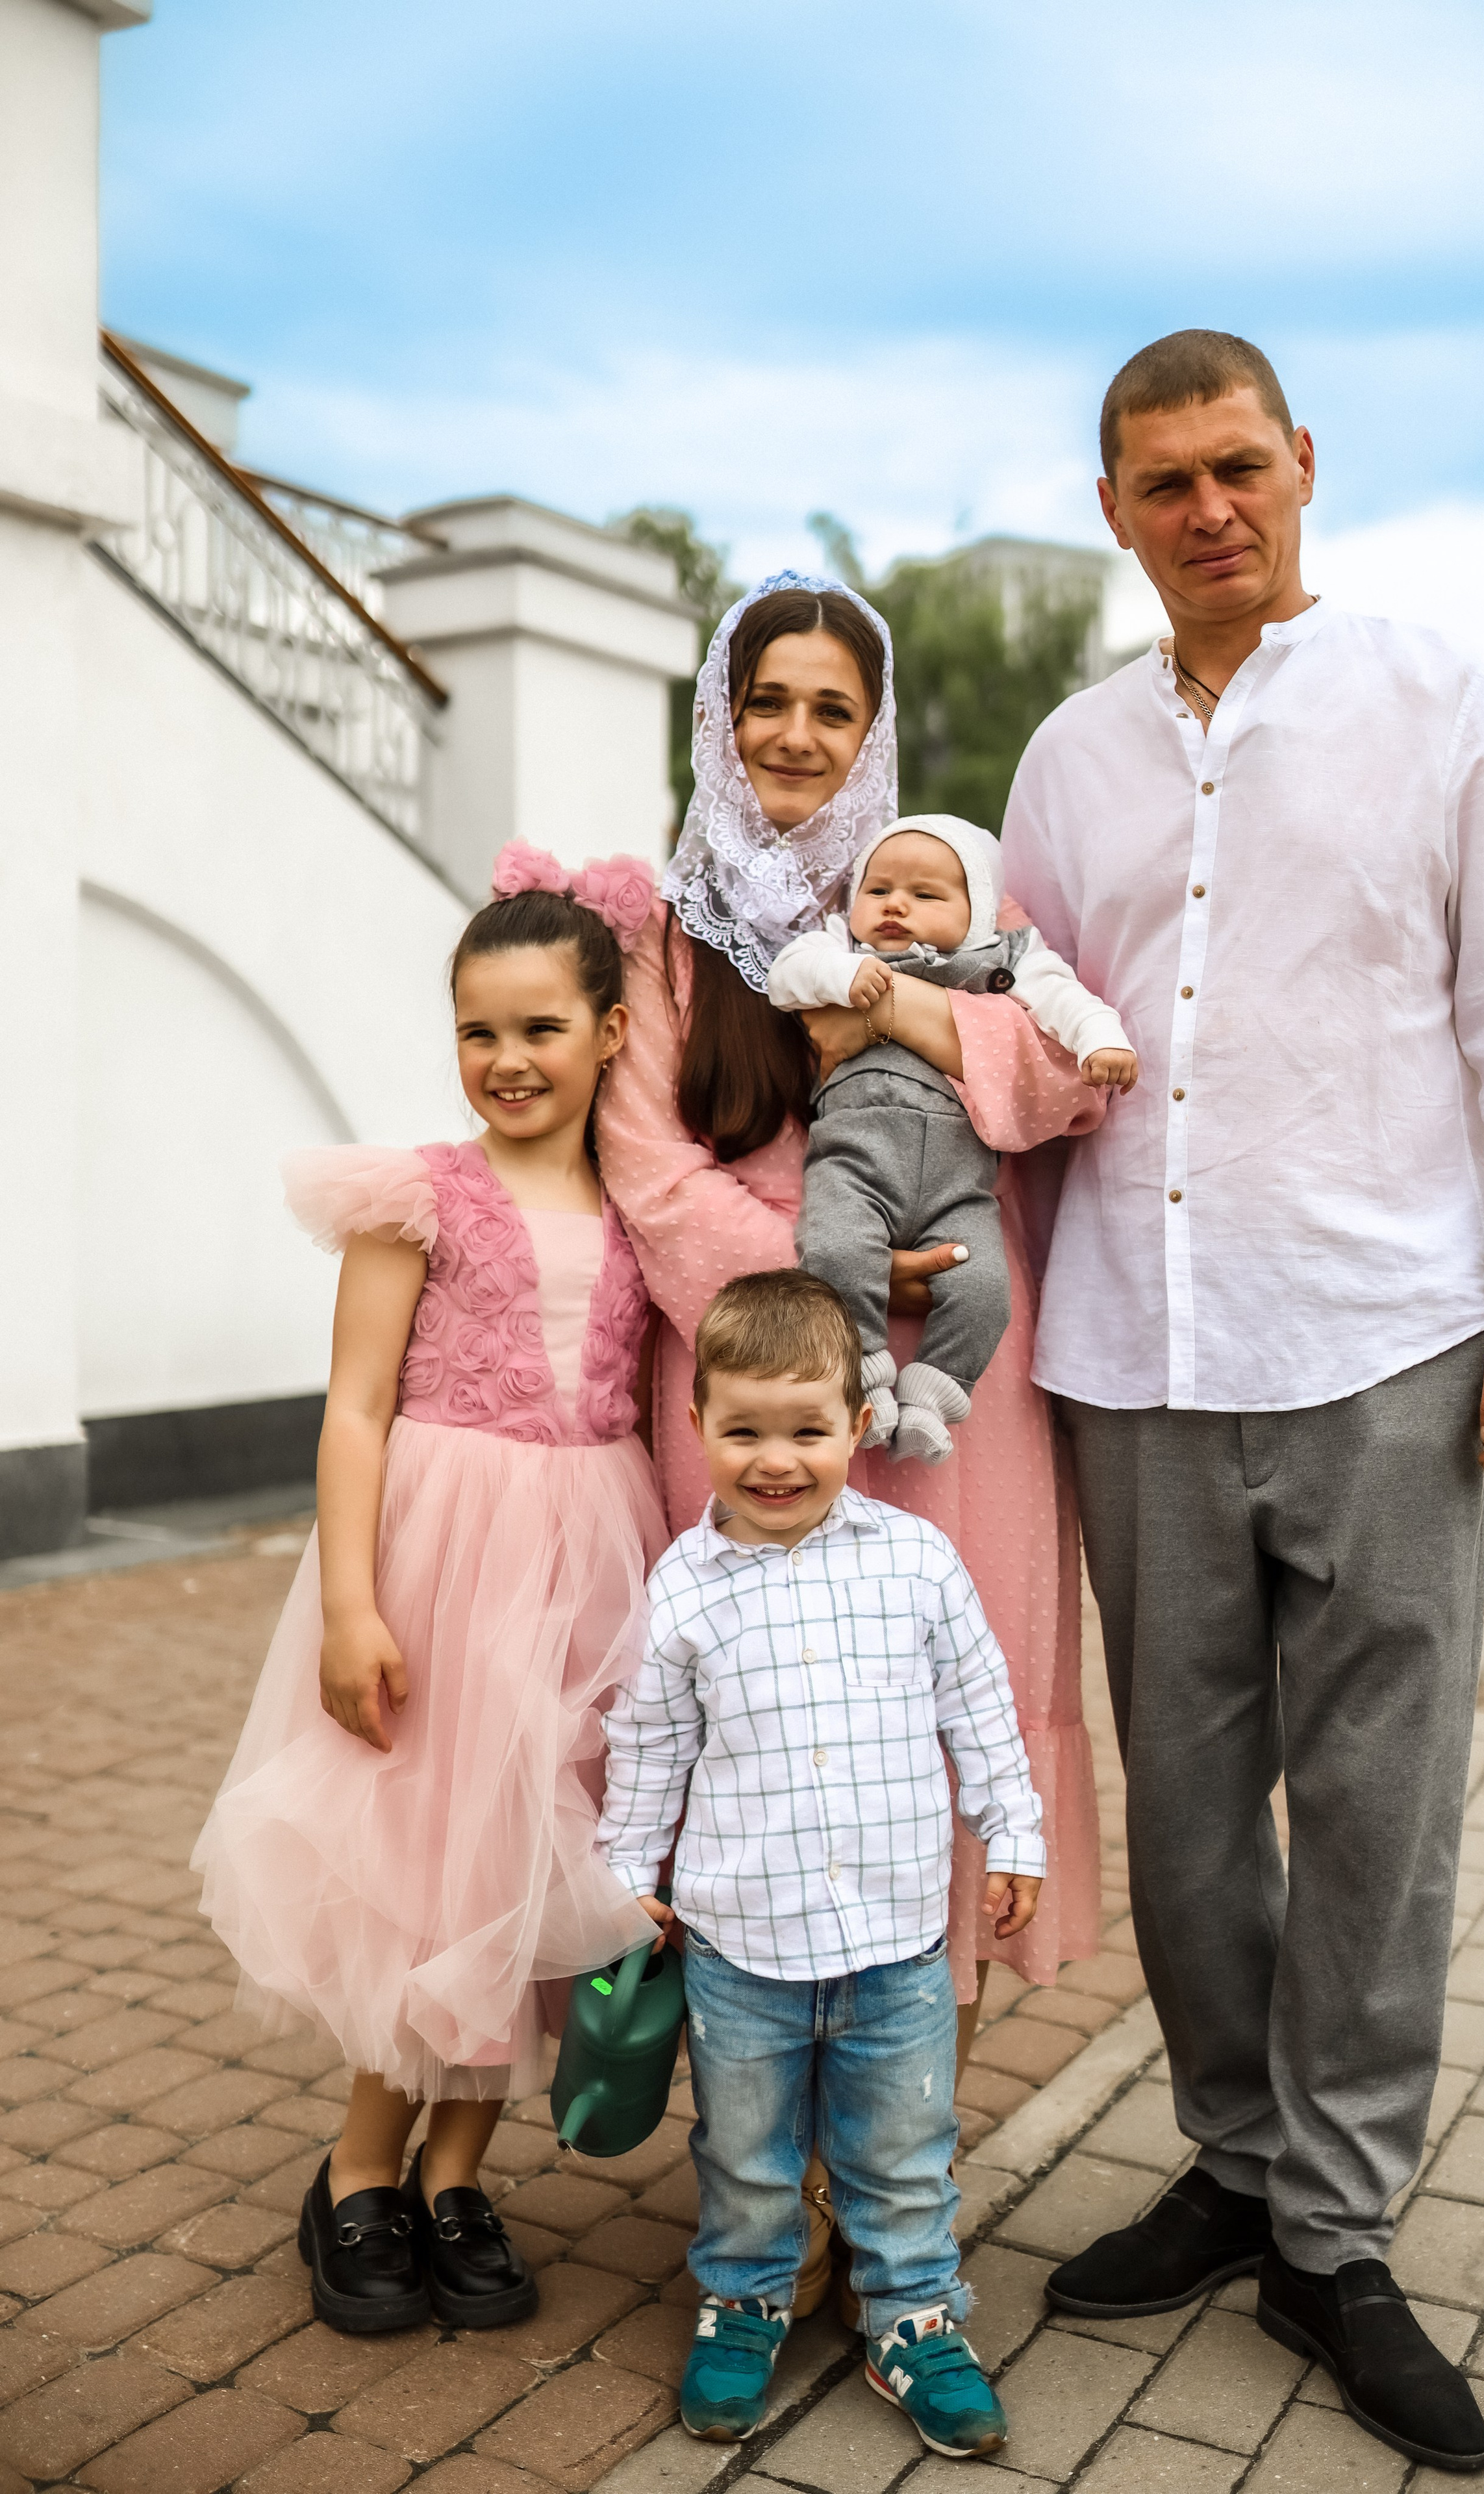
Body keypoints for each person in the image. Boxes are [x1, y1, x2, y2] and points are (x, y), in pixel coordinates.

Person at [1002, 329, 1484, 2476]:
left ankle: (1338, 2233)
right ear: (1116, 508)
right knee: (1186, 1815)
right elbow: (1010, 1045)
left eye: (1240, 467)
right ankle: (1233, 2161)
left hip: (1386, 1340)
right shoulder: (1068, 763)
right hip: (1132, 1352)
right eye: (1165, 481)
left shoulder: (1436, 701)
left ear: (1304, 466)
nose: (1210, 509)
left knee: (1385, 1807)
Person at [596, 572, 1105, 2307]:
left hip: (965, 1409)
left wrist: (899, 1005)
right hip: (754, 1396)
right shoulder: (674, 945)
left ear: (874, 730)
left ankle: (886, 2189)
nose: (800, 737)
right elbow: (649, 1174)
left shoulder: (939, 903)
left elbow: (1060, 1078)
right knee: (767, 1752)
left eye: (834, 707)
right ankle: (777, 2196)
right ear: (719, 720)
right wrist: (815, 1271)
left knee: (935, 1737)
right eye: (770, 702)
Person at [194, 850, 668, 2337]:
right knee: (427, 1872)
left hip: (592, 1558)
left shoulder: (644, 1204)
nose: (506, 1059)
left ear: (610, 1033)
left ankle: (457, 2177)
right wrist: (348, 1601)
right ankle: (355, 2172)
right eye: (477, 1029)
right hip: (441, 1562)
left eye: (539, 1027)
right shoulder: (420, 1196)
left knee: (531, 1872)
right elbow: (351, 1406)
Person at [598, 1270, 1045, 2454]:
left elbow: (981, 1708)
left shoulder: (916, 1562)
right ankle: (745, 2299)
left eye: (807, 1429)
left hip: (897, 1943)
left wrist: (1017, 1831)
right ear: (698, 1430)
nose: (775, 1459)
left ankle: (914, 2316)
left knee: (902, 2152)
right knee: (746, 2153)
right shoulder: (685, 1589)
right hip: (742, 1946)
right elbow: (649, 1746)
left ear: (859, 1425)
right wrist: (624, 1873)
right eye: (744, 1431)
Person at [768, 812, 1135, 1460]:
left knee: (984, 1288)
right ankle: (866, 1375)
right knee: (834, 1254)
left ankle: (935, 1395)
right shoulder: (841, 949)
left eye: (926, 895)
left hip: (959, 1187)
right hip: (854, 1164)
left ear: (979, 912)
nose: (895, 906)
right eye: (877, 891)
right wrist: (842, 980)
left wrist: (1101, 1040)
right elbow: (789, 972)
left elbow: (1065, 1000)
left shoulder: (1005, 959)